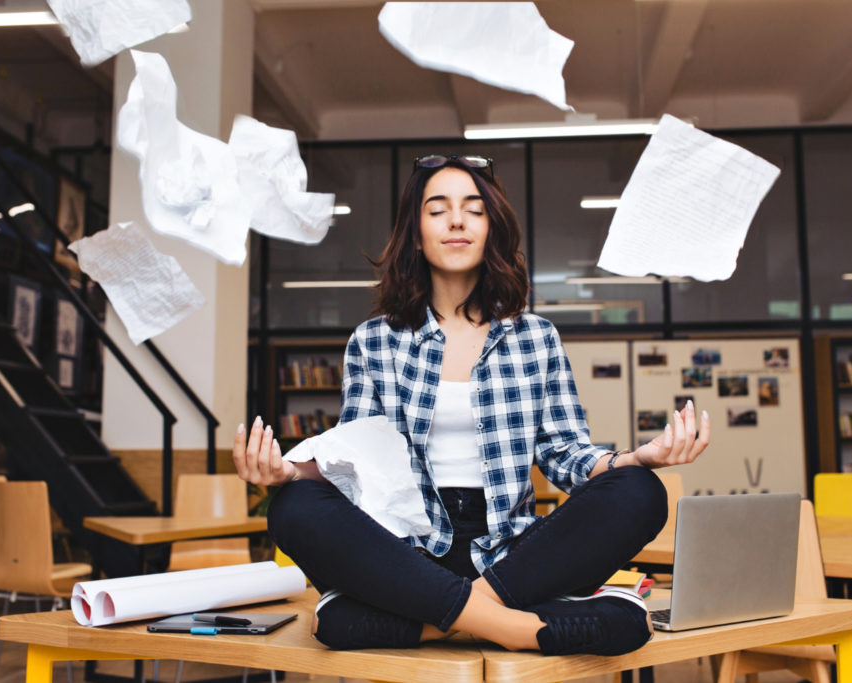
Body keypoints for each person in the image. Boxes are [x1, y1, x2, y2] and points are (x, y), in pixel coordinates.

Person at [233, 153, 711, 656]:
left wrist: (638, 459)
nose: (457, 220)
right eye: (438, 209)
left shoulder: (535, 338)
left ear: (491, 229)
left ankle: (441, 618)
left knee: (640, 491)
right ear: (416, 233)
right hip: (406, 552)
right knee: (293, 508)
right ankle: (518, 629)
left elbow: (565, 455)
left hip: (513, 557)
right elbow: (359, 466)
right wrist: (286, 474)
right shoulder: (374, 341)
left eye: (473, 209)